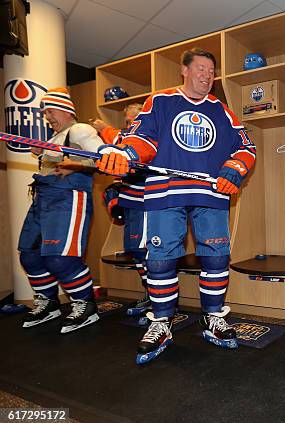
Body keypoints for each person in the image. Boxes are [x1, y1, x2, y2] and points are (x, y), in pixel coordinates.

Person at [96, 48, 256, 364]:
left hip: (210, 193)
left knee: (216, 257)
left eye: (211, 71)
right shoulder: (161, 102)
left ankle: (213, 317)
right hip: (165, 193)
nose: (206, 75)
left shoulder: (222, 111)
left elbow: (246, 148)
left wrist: (233, 169)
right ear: (184, 71)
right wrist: (127, 155)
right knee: (159, 260)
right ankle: (162, 322)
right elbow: (143, 139)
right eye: (200, 68)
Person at [19, 87, 104, 333]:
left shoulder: (80, 129)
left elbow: (102, 158)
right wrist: (43, 152)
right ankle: (49, 303)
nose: (47, 117)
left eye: (50, 111)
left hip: (69, 198)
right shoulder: (53, 139)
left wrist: (76, 165)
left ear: (66, 110)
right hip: (43, 199)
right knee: (30, 255)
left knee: (61, 258)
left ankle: (85, 305)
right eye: (45, 113)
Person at [92, 104, 150, 317]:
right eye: (126, 121)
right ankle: (151, 293)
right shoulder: (128, 141)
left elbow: (121, 139)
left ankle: (159, 298)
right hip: (132, 202)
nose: (128, 125)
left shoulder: (145, 137)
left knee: (145, 253)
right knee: (135, 253)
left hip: (146, 203)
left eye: (132, 120)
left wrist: (103, 127)